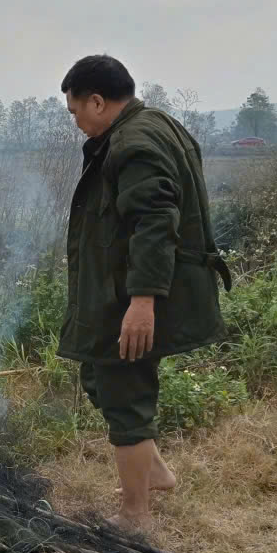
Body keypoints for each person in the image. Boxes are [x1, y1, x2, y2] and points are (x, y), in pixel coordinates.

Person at [57, 55, 230, 529]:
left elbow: (154, 221)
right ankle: (153, 472)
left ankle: (135, 517)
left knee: (124, 392)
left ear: (97, 101)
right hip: (120, 291)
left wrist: (142, 300)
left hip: (133, 295)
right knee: (97, 374)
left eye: (76, 111)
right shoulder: (155, 125)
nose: (76, 122)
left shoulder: (133, 142)